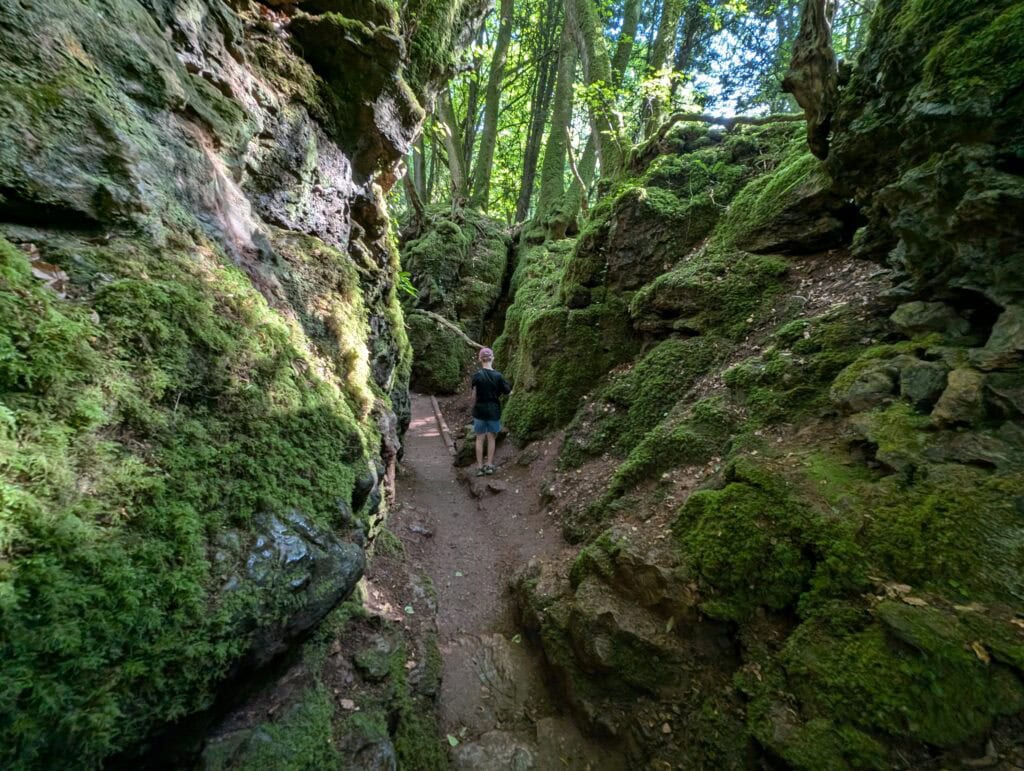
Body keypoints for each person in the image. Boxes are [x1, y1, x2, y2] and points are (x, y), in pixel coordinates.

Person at [470, 347, 512, 476]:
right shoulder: (498, 376)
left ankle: (479, 467)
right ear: (492, 358)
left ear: (480, 359)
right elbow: (508, 392)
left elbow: (473, 396)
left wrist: (473, 408)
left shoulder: (476, 376)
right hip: (494, 410)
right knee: (491, 438)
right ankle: (489, 465)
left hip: (479, 410)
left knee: (479, 438)